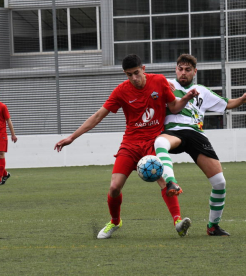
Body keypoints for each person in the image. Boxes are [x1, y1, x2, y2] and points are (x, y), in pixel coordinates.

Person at [54, 54, 198, 239]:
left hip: (153, 143)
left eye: (136, 73)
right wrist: (72, 137)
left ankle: (178, 222)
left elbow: (174, 107)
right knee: (114, 187)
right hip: (130, 145)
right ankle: (115, 221)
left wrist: (186, 98)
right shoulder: (121, 91)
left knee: (164, 181)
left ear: (143, 69)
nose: (134, 78)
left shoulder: (160, 81)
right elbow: (98, 116)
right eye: (129, 75)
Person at [154, 54, 246, 236]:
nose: (183, 73)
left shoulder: (202, 91)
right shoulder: (165, 84)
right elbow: (147, 85)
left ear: (195, 72)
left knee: (219, 182)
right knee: (160, 141)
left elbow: (226, 104)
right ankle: (170, 182)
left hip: (196, 135)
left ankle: (213, 226)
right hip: (174, 131)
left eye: (187, 70)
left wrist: (242, 99)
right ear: (176, 69)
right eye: (180, 69)